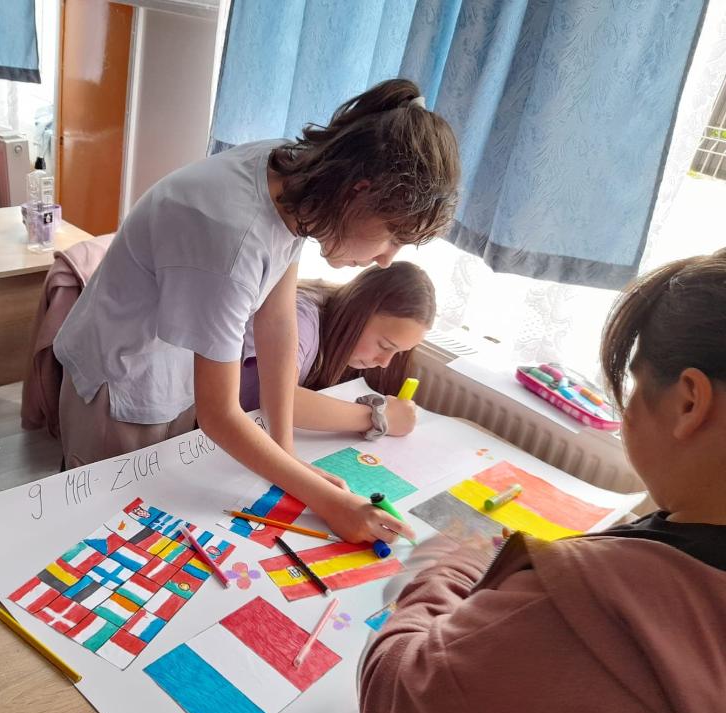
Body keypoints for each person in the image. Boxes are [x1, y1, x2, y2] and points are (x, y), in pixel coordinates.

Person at [358, 250, 726, 713]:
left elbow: (396, 704)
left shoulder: (586, 610)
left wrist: (450, 560)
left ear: (690, 402)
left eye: (632, 385)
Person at [54, 78, 459, 544]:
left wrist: (286, 457)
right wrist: (325, 501)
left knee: (154, 520)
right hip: (121, 381)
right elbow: (220, 415)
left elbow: (277, 321)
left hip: (174, 366)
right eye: (392, 237)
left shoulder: (299, 181)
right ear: (357, 193)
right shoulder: (233, 237)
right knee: (105, 533)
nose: (387, 259)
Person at [239, 262, 436, 436]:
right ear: (359, 313)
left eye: (398, 352)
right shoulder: (300, 318)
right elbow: (278, 399)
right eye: (384, 346)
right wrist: (379, 417)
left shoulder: (346, 348)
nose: (384, 363)